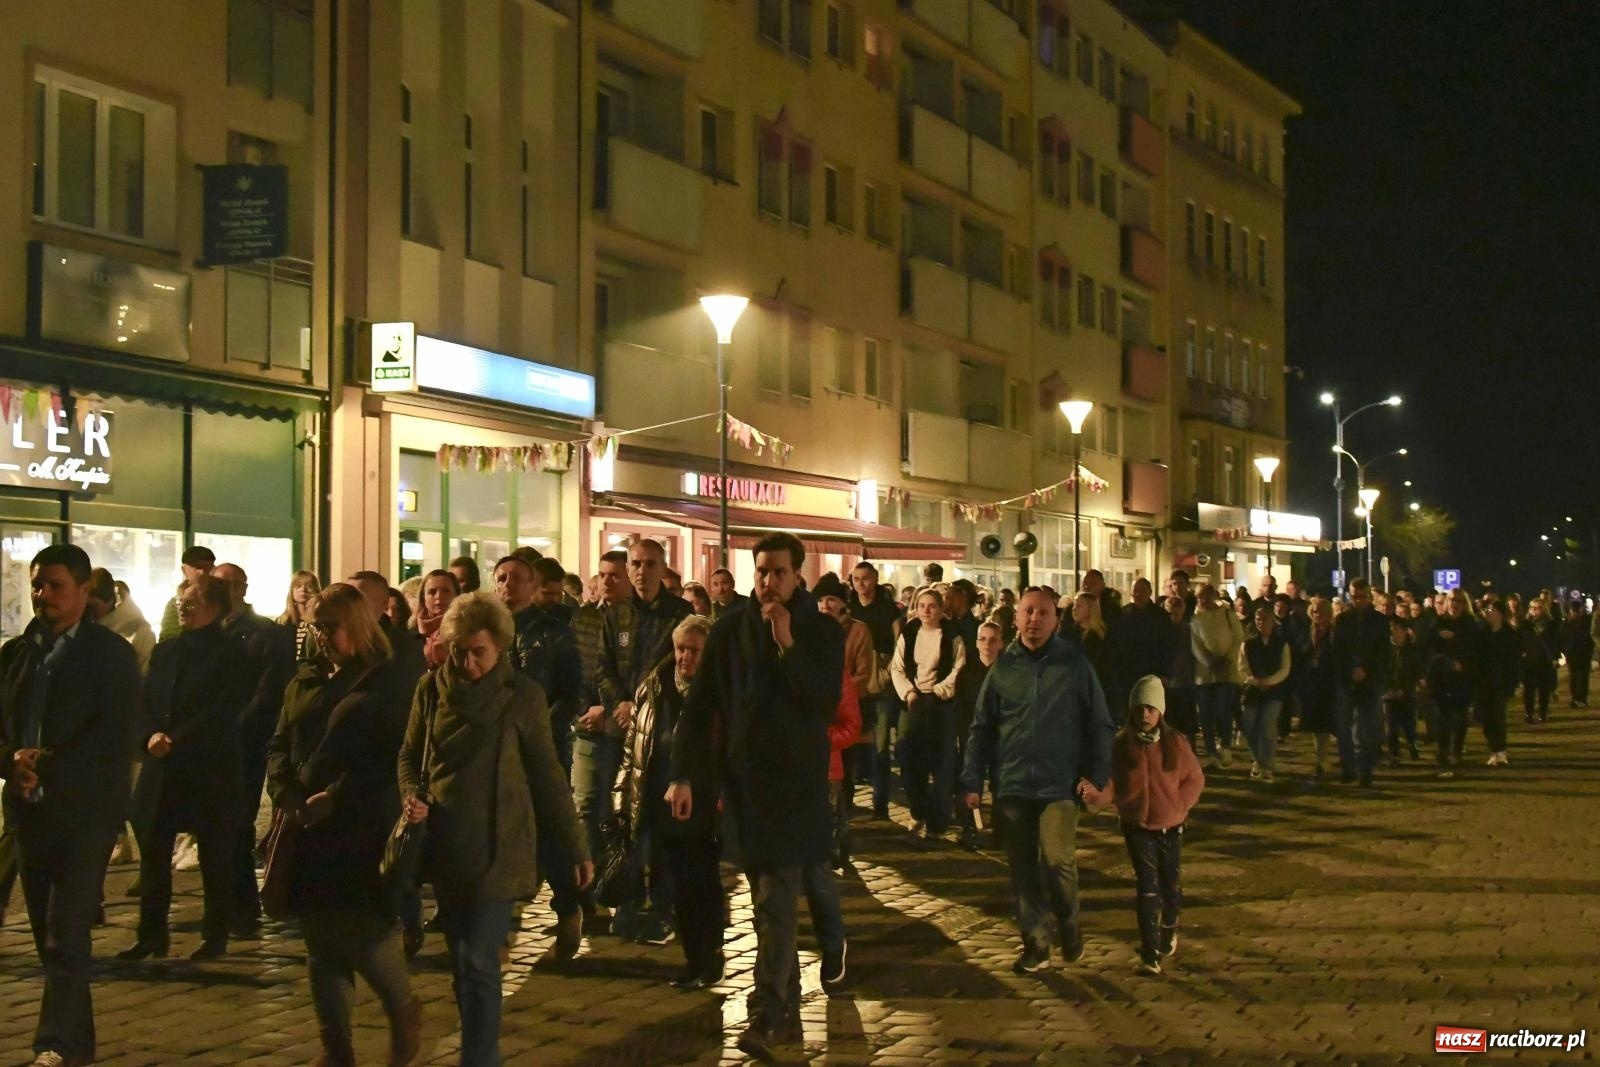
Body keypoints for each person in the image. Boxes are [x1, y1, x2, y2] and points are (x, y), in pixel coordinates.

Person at [667, 533, 844, 1060]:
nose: (768, 582)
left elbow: (823, 700)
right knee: (766, 896)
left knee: (773, 899)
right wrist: (683, 775)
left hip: (797, 787)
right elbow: (701, 708)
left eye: (779, 573)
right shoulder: (729, 631)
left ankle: (764, 1012)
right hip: (744, 787)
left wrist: (788, 642)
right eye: (761, 571)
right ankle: (784, 1001)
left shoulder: (820, 632)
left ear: (798, 575)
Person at [398, 591, 591, 1066]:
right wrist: (410, 794)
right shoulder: (430, 690)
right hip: (447, 843)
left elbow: (548, 777)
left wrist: (575, 846)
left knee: (482, 961)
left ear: (500, 647)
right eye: (460, 650)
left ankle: (480, 1058)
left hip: (500, 846)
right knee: (463, 963)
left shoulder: (522, 697)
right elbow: (409, 754)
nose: (468, 662)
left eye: (478, 651)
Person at [264, 584, 421, 1067]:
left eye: (330, 626)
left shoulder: (384, 681)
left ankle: (403, 1009)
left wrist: (335, 798)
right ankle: (337, 1050)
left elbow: (392, 756)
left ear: (357, 625)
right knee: (320, 943)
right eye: (315, 626)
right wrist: (286, 793)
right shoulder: (302, 681)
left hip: (358, 827)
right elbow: (279, 745)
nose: (322, 636)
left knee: (363, 935)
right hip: (304, 826)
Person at [0, 544, 141, 1067]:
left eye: (56, 585)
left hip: (86, 813)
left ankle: (54, 1044)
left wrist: (50, 761)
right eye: (37, 585)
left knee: (67, 930)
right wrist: (9, 761)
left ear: (85, 591)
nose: (44, 596)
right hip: (28, 810)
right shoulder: (17, 654)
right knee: (49, 937)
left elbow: (115, 733)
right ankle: (75, 1046)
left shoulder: (110, 656)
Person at [962, 588, 1114, 976]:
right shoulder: (1004, 667)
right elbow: (982, 728)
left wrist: (1097, 775)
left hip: (1059, 784)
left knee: (1057, 861)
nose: (1034, 619)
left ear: (1055, 620)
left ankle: (1068, 920)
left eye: (1043, 612)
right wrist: (972, 780)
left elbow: (1099, 722)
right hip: (1013, 782)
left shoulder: (1074, 663)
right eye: (1027, 611)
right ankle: (1036, 943)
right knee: (1023, 868)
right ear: (1016, 618)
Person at [122, 574, 252, 961]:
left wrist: (176, 737)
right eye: (180, 600)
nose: (183, 606)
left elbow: (223, 708)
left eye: (192, 602)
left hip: (206, 767)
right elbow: (144, 700)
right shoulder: (166, 651)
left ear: (214, 609)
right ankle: (151, 935)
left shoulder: (231, 653)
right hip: (161, 767)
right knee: (154, 855)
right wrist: (149, 735)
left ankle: (215, 936)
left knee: (214, 856)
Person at [615, 615, 722, 990]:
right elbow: (635, 746)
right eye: (680, 649)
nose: (684, 657)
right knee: (674, 881)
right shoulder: (656, 686)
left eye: (694, 650)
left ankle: (706, 956)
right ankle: (696, 956)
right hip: (658, 796)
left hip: (704, 801)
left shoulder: (718, 691)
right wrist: (622, 795)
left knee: (701, 881)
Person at [598, 538, 693, 941]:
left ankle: (664, 904)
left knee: (659, 821)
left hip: (663, 731)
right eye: (635, 563)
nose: (641, 571)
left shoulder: (679, 614)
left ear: (662, 568)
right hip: (621, 729)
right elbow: (601, 666)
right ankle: (627, 898)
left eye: (649, 564)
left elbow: (677, 668)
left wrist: (642, 705)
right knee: (622, 817)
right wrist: (619, 701)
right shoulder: (614, 614)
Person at [1080, 676, 1204, 976]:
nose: (1146, 715)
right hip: (1136, 825)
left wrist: (1180, 806)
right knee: (1147, 887)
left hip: (1170, 825)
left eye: (1151, 708)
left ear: (1160, 711)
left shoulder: (1175, 742)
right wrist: (1097, 797)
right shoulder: (1121, 745)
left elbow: (1194, 779)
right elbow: (1112, 785)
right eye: (1140, 708)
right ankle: (1150, 954)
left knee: (1169, 885)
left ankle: (1169, 928)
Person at [494, 554, 586, 953]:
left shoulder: (555, 633)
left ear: (534, 586)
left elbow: (572, 692)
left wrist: (540, 727)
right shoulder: (485, 631)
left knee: (550, 828)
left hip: (543, 746)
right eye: (501, 577)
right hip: (494, 748)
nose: (507, 585)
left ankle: (568, 905)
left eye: (517, 578)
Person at [212, 562, 298, 938]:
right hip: (210, 741)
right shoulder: (210, 630)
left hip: (248, 739)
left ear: (244, 588)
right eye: (220, 584)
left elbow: (271, 689)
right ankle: (222, 906)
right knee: (217, 824)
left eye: (233, 584)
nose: (228, 590)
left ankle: (244, 910)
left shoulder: (266, 632)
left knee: (238, 822)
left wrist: (237, 724)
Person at [571, 549, 630, 921]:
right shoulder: (584, 619)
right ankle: (588, 892)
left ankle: (620, 887)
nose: (607, 581)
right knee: (587, 808)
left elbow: (627, 673)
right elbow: (576, 668)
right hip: (587, 729)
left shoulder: (632, 620)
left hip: (622, 727)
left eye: (615, 575)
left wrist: (608, 709)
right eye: (603, 574)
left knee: (618, 812)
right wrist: (581, 711)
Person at [890, 588, 966, 842]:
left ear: (941, 608)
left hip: (941, 704)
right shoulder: (909, 632)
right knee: (908, 756)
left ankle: (938, 820)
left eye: (931, 606)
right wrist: (909, 693)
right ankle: (917, 809)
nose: (926, 610)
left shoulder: (952, 635)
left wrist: (939, 692)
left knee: (942, 762)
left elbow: (959, 668)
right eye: (922, 605)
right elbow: (897, 667)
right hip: (913, 701)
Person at [811, 573, 872, 866]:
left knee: (842, 781)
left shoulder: (857, 631)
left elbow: (863, 674)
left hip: (845, 710)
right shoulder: (808, 630)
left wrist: (839, 687)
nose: (825, 605)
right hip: (824, 715)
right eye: (821, 599)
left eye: (830, 599)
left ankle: (840, 840)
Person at [846, 562, 902, 820]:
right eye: (856, 579)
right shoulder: (849, 609)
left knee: (879, 749)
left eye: (865, 579)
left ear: (875, 580)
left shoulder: (889, 610)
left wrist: (886, 673)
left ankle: (880, 806)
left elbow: (898, 644)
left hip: (880, 686)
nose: (860, 584)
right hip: (854, 687)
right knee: (850, 746)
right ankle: (847, 802)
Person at [1330, 578, 1390, 787]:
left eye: (1362, 597)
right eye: (1354, 597)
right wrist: (1350, 670)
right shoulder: (1342, 621)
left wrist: (1366, 670)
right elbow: (1337, 651)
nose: (1358, 601)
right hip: (1346, 679)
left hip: (1371, 679)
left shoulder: (1380, 622)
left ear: (1369, 597)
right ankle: (1349, 767)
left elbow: (1383, 652)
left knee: (1369, 726)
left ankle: (1365, 769)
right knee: (1344, 725)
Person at [954, 621, 1004, 850]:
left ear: (1001, 643)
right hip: (973, 736)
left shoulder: (1007, 671)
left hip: (1000, 737)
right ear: (976, 642)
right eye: (983, 639)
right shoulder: (967, 672)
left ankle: (1000, 828)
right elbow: (961, 707)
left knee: (1000, 782)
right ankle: (968, 828)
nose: (987, 644)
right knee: (969, 782)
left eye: (993, 640)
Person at [1423, 589, 1479, 779]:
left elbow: (1476, 648)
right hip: (1442, 676)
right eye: (1452, 600)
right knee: (1442, 715)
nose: (1455, 604)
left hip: (1463, 675)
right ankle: (1443, 749)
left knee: (1460, 715)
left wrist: (1462, 662)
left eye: (1459, 601)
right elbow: (1429, 646)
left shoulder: (1470, 624)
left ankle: (1457, 749)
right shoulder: (1439, 622)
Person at [1190, 584, 1244, 769]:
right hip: (1204, 674)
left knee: (1224, 710)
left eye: (1205, 596)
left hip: (1227, 672)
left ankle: (1226, 746)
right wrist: (1210, 662)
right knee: (1205, 715)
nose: (1202, 600)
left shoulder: (1228, 614)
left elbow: (1238, 637)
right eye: (1199, 597)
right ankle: (1211, 752)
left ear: (1214, 596)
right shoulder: (1196, 619)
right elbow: (1196, 645)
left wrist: (1228, 659)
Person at [1239, 605, 1291, 784]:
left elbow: (1285, 668)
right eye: (1258, 619)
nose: (1261, 623)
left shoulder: (1281, 644)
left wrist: (1268, 681)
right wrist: (1254, 681)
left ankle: (1266, 766)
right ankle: (1258, 759)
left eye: (1265, 619)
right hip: (1253, 690)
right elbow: (1242, 667)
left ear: (1272, 621)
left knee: (1268, 728)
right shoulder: (1248, 644)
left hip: (1274, 691)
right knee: (1249, 726)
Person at [1297, 597, 1339, 780]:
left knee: (1326, 723)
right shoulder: (1306, 632)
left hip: (1329, 683)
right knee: (1315, 724)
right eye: (1313, 611)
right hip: (1310, 683)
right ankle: (1321, 756)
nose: (1316, 615)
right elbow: (1299, 652)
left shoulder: (1334, 633)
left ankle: (1323, 757)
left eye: (1320, 612)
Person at [86, 567, 155, 674]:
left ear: (109, 600)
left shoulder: (139, 632)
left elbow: (142, 677)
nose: (88, 612)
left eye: (92, 607)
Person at [1478, 600, 1520, 767]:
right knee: (1487, 718)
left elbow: (1514, 661)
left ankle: (1500, 750)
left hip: (1501, 682)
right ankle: (1493, 749)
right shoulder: (1483, 633)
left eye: (1492, 609)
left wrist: (1514, 682)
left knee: (1498, 716)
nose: (1488, 612)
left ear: (1500, 613)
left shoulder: (1509, 635)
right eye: (1487, 609)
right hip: (1484, 681)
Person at [1383, 617, 1423, 767]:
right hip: (1389, 694)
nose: (1393, 631)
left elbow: (1416, 671)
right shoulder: (1385, 649)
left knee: (1409, 724)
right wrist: (1387, 690)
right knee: (1391, 727)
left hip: (1407, 693)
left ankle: (1412, 743)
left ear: (1404, 631)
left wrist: (1406, 689)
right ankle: (1395, 755)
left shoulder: (1412, 650)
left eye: (1396, 628)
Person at [159, 545, 215, 640]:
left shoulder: (218, 598)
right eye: (198, 567)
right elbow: (169, 637)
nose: (203, 572)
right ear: (184, 570)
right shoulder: (174, 604)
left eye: (209, 567)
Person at [410, 568, 461, 668]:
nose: (438, 596)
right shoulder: (410, 634)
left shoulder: (465, 631)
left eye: (445, 591)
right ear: (423, 597)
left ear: (456, 595)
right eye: (432, 592)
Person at [1519, 599, 1559, 724]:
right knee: (1529, 689)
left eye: (1538, 607)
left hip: (1544, 660)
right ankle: (1528, 713)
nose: (1535, 610)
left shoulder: (1550, 624)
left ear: (1544, 609)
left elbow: (1555, 642)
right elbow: (1520, 641)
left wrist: (1555, 657)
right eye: (1532, 607)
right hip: (1530, 661)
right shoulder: (1525, 624)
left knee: (1544, 689)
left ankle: (1543, 713)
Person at [279, 569, 323, 662]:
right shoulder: (282, 622)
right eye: (298, 586)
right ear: (292, 591)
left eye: (309, 586)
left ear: (316, 590)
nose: (303, 590)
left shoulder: (321, 621)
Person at [1561, 598, 1594, 709]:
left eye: (1577, 610)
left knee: (1583, 676)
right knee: (1574, 677)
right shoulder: (1567, 622)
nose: (1575, 612)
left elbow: (1591, 637)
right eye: (1573, 610)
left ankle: (1582, 698)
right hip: (1572, 653)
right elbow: (1562, 638)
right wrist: (1564, 651)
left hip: (1585, 653)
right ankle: (1575, 698)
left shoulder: (1588, 621)